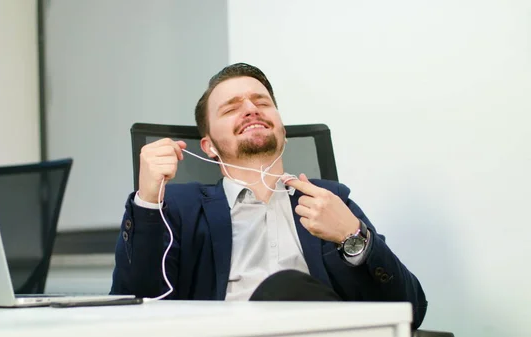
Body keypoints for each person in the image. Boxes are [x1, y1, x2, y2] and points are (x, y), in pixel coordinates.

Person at [110, 63, 427, 329]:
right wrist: (149, 200)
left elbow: (410, 311)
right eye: (232, 108)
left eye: (261, 103)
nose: (250, 109)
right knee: (283, 289)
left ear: (282, 130)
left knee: (288, 288)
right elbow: (134, 309)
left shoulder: (329, 200)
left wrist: (352, 236)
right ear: (207, 146)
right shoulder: (179, 209)